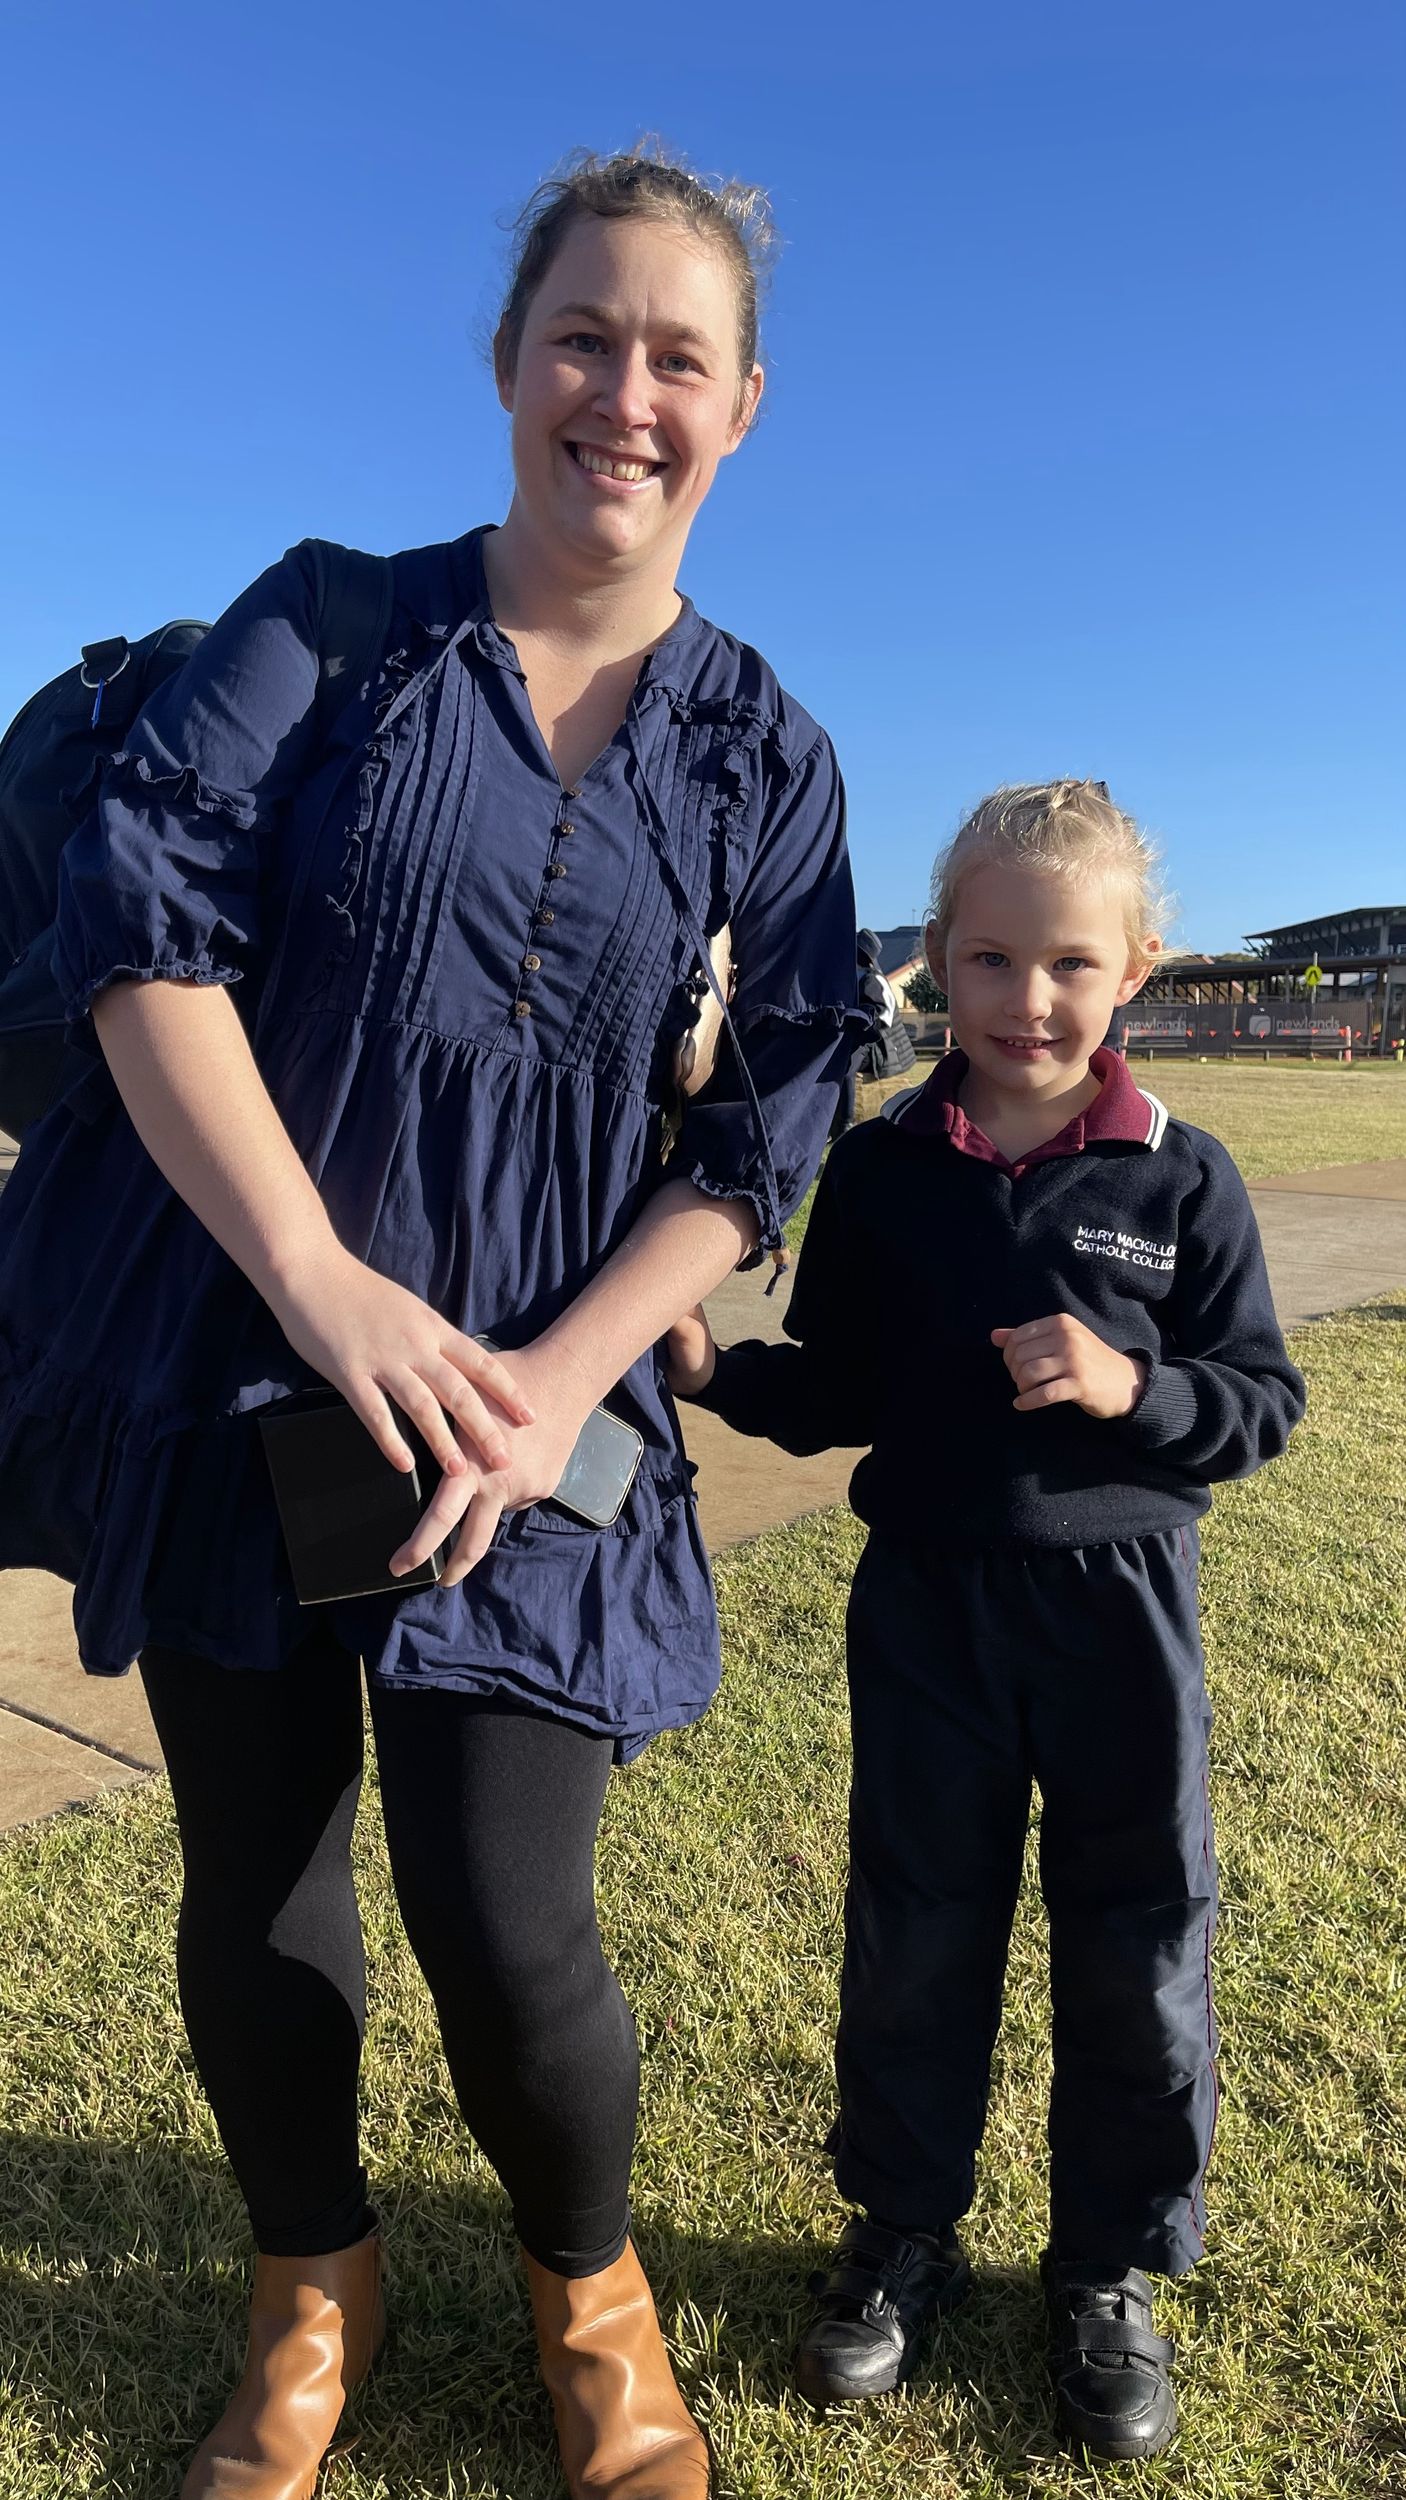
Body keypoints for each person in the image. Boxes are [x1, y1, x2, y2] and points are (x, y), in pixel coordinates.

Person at [0, 151, 864, 2500]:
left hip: (536, 1413)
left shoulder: (762, 749)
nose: (623, 392)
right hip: (248, 1362)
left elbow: (777, 1107)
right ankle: (313, 2289)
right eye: (584, 334)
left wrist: (564, 1368)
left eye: (678, 355)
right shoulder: (325, 624)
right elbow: (140, 935)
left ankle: (592, 2296)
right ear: (508, 362)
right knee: (262, 1883)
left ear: (740, 407)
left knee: (510, 1919)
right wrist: (326, 1283)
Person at [666, 781, 1305, 2461]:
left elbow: (1258, 1403)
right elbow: (840, 1391)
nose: (1029, 999)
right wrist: (714, 1370)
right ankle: (898, 2235)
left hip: (1119, 1614)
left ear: (1134, 972)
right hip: (928, 1605)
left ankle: (1106, 2266)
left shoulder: (1179, 1175)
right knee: (918, 1925)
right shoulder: (884, 1170)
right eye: (991, 960)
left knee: (1139, 1934)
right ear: (934, 961)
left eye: (1070, 963)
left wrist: (1135, 1387)